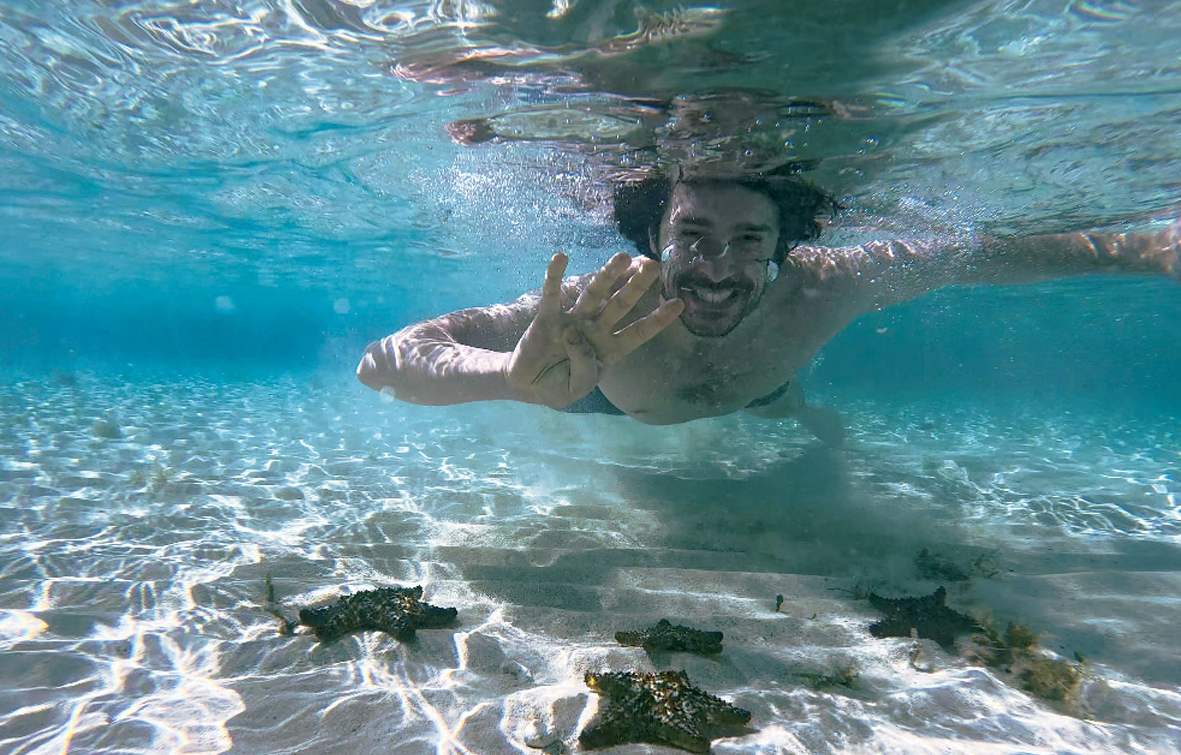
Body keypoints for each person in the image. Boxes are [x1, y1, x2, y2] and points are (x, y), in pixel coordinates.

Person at [356, 166, 1179, 442]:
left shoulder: (832, 282)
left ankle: (795, 406)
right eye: (694, 235)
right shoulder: (598, 310)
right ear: (654, 235)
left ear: (787, 244)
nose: (717, 269)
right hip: (611, 404)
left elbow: (978, 258)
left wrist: (1149, 249)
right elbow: (384, 359)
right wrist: (506, 374)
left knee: (782, 402)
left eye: (751, 239)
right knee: (580, 391)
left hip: (765, 388)